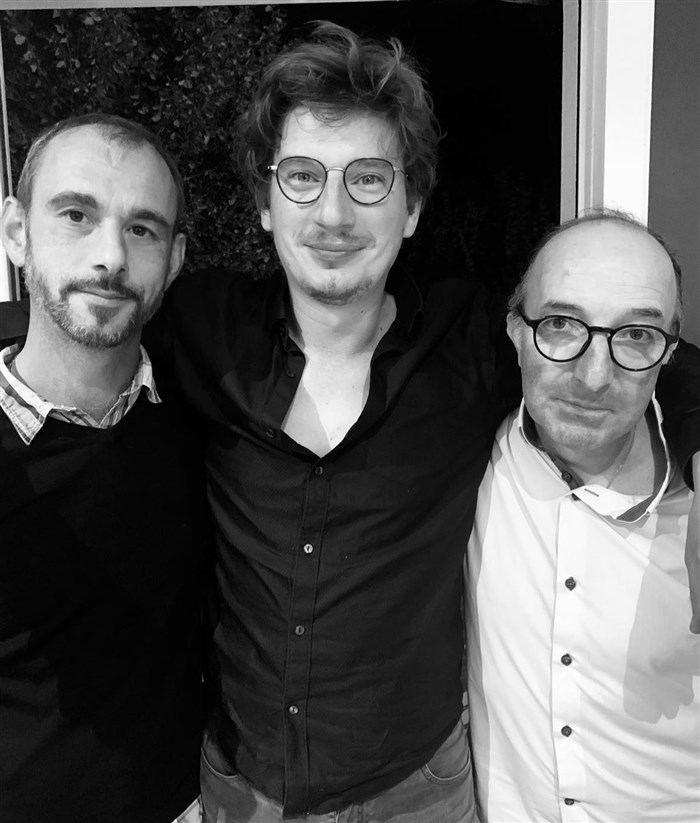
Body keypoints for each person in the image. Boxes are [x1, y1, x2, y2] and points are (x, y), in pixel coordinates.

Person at [153, 24, 700, 823]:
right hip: (243, 787)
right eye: (302, 177)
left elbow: (624, 348)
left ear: (410, 207)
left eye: (369, 179)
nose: (333, 212)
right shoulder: (201, 332)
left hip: (418, 793)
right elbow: (78, 335)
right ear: (264, 202)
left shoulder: (472, 343)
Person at [0, 114, 209, 823]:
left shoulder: (204, 408)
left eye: (142, 229)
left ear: (174, 259)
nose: (110, 257)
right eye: (76, 216)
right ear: (17, 231)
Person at [466, 211, 700, 823]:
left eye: (636, 335)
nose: (594, 377)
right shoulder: (465, 453)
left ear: (669, 353)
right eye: (561, 325)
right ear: (516, 330)